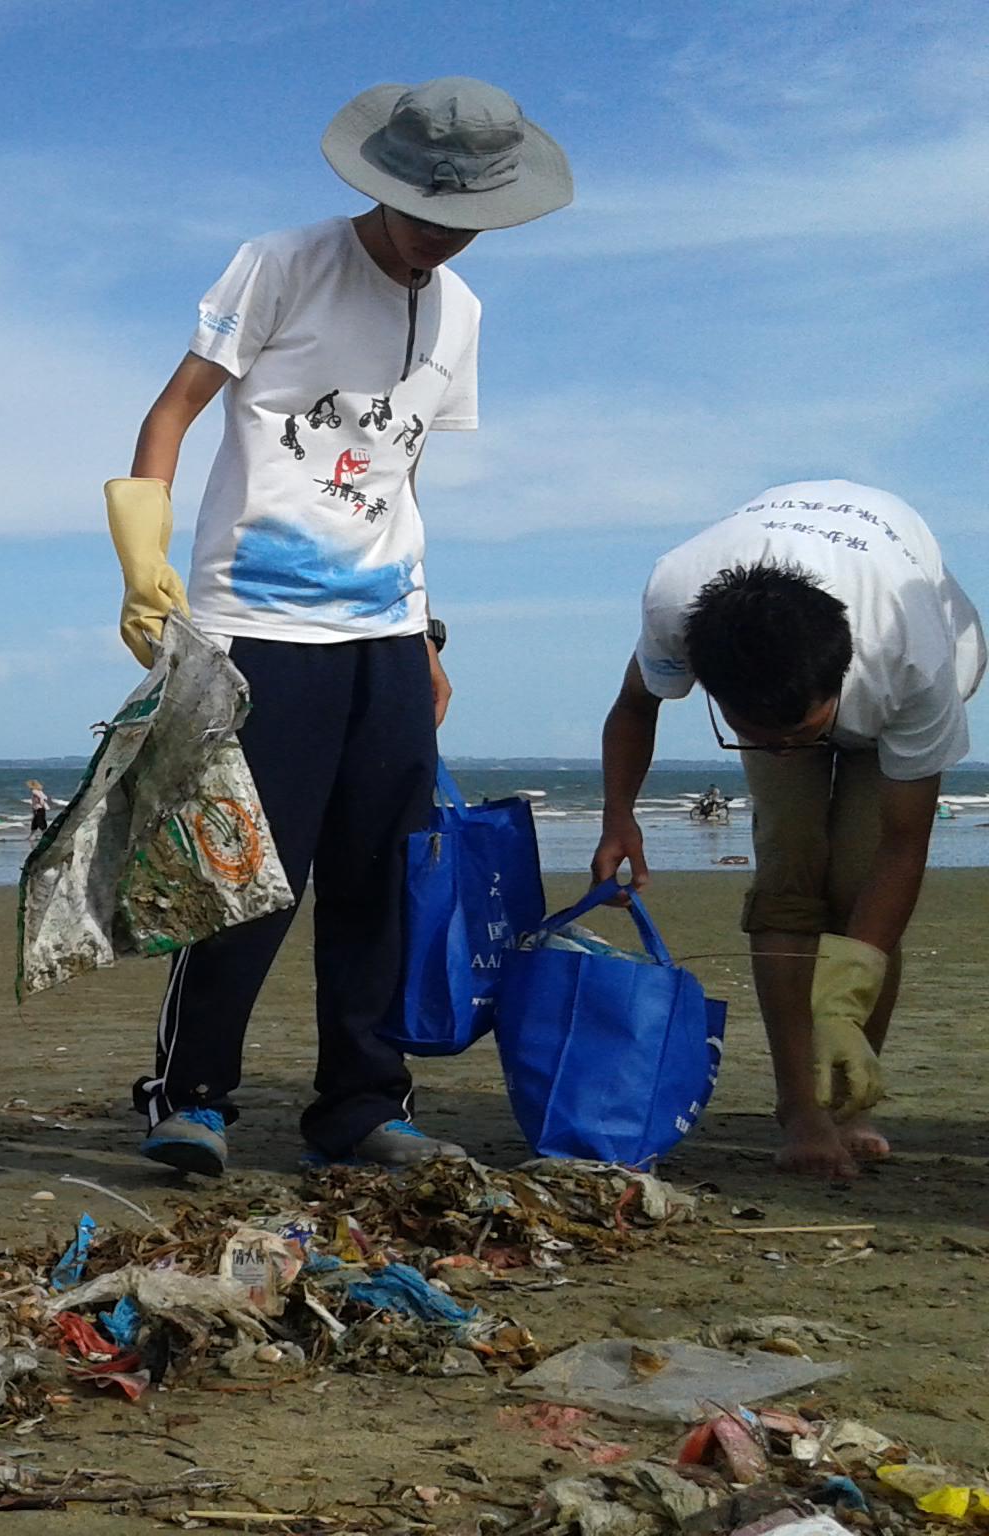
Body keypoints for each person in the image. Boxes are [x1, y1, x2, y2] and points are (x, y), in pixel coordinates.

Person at [110, 78, 572, 1175]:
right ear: (381, 185)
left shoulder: (458, 310)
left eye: (464, 229)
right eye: (424, 221)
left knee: (381, 875)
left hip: (384, 633)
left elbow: (402, 472)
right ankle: (189, 1096)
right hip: (256, 619)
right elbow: (172, 409)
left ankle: (360, 1104)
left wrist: (423, 633)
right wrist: (142, 556)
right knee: (242, 873)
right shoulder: (280, 263)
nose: (439, 246)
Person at [593, 481, 982, 1181]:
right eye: (752, 735)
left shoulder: (919, 663)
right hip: (778, 646)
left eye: (797, 733)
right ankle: (799, 1107)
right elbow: (633, 706)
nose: (776, 752)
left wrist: (843, 1001)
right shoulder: (678, 603)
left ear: (841, 684)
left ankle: (848, 1097)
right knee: (788, 876)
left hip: (898, 652)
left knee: (858, 887)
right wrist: (618, 816)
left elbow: (904, 846)